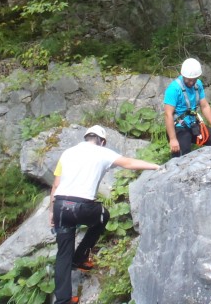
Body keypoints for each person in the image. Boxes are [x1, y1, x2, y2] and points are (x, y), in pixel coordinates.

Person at [50, 125, 160, 304]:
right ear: (101, 141)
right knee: (103, 216)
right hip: (82, 206)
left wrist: (51, 212)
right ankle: (80, 258)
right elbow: (129, 163)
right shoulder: (101, 152)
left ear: (86, 137)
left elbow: (56, 184)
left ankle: (63, 300)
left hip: (61, 205)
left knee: (63, 253)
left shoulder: (67, 153)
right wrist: (155, 166)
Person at [163, 58, 211, 157]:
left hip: (193, 124)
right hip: (178, 128)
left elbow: (204, 106)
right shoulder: (173, 89)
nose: (191, 82)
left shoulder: (198, 85)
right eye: (189, 80)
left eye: (194, 79)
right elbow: (168, 115)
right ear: (183, 75)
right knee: (182, 157)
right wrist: (173, 139)